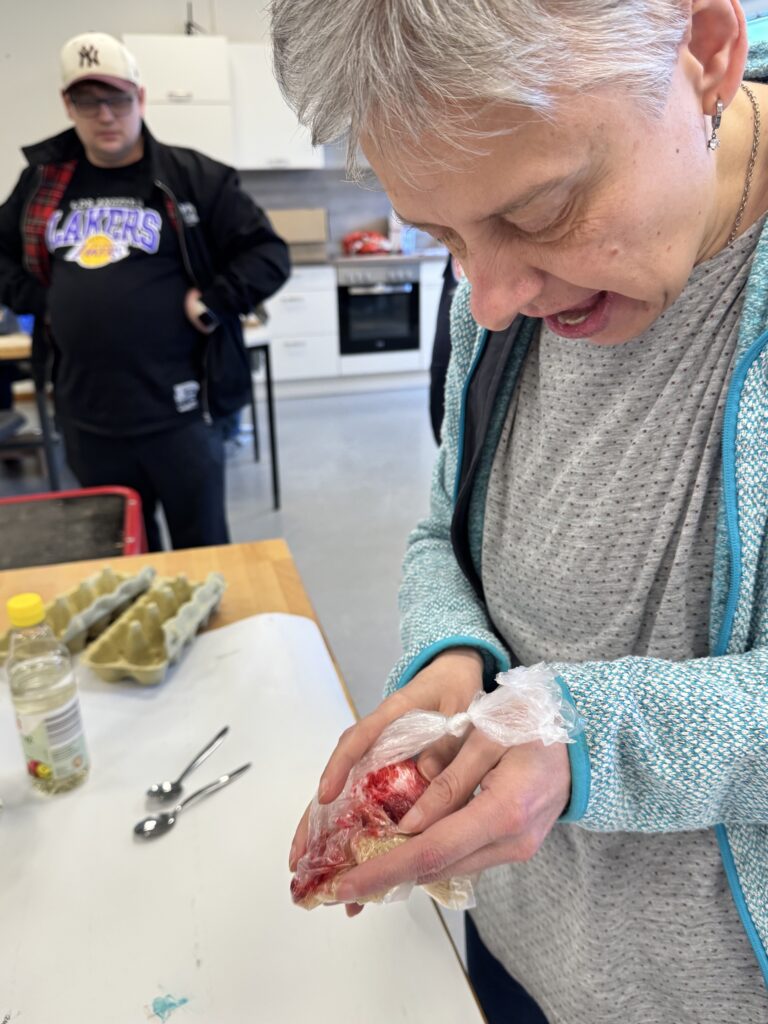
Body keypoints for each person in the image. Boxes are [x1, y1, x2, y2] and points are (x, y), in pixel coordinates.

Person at [273, 1, 768, 1021]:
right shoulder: (499, 297)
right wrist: (453, 651)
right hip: (509, 941)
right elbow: (442, 531)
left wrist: (585, 738)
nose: (492, 299)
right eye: (445, 236)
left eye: (541, 212)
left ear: (707, 51)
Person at [0, 32, 290, 550]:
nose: (105, 115)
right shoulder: (43, 183)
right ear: (68, 105)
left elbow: (268, 254)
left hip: (184, 414)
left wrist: (214, 302)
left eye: (117, 99)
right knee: (121, 553)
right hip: (87, 416)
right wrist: (42, 300)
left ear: (140, 97)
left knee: (201, 552)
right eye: (88, 101)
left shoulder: (194, 178)